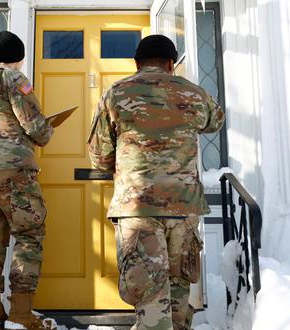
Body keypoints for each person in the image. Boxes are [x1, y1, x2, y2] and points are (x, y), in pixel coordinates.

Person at [88, 34, 225, 330]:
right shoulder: (194, 93)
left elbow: (99, 155)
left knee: (150, 295)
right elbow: (215, 121)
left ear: (137, 63)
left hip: (138, 209)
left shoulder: (116, 94)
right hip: (184, 208)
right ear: (171, 63)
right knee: (177, 291)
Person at [0, 31, 53, 330]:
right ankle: (21, 313)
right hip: (12, 167)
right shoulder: (15, 80)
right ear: (19, 57)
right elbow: (35, 126)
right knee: (29, 234)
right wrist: (47, 131)